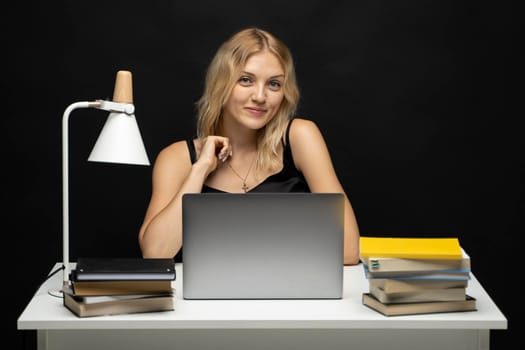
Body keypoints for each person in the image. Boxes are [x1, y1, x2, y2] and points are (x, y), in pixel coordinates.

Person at [138, 27, 360, 265]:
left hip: (291, 294)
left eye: (274, 84)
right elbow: (155, 254)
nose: (260, 96)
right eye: (246, 80)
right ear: (221, 84)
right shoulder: (176, 158)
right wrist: (200, 169)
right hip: (203, 301)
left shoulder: (300, 136)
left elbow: (348, 250)